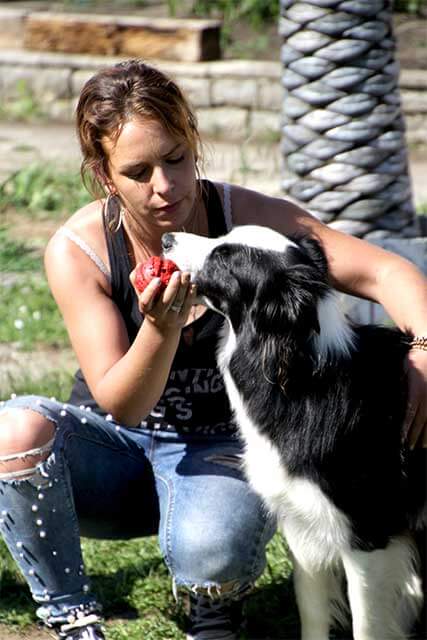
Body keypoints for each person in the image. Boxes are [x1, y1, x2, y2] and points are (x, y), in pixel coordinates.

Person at [0, 59, 426, 640]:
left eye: (176, 159)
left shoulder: (248, 222)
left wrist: (425, 349)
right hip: (120, 450)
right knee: (14, 431)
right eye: (138, 170)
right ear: (104, 175)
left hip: (220, 457)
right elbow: (120, 405)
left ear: (193, 144)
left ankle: (216, 598)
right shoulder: (80, 250)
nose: (165, 187)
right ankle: (72, 613)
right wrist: (160, 327)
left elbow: (387, 272)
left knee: (213, 547)